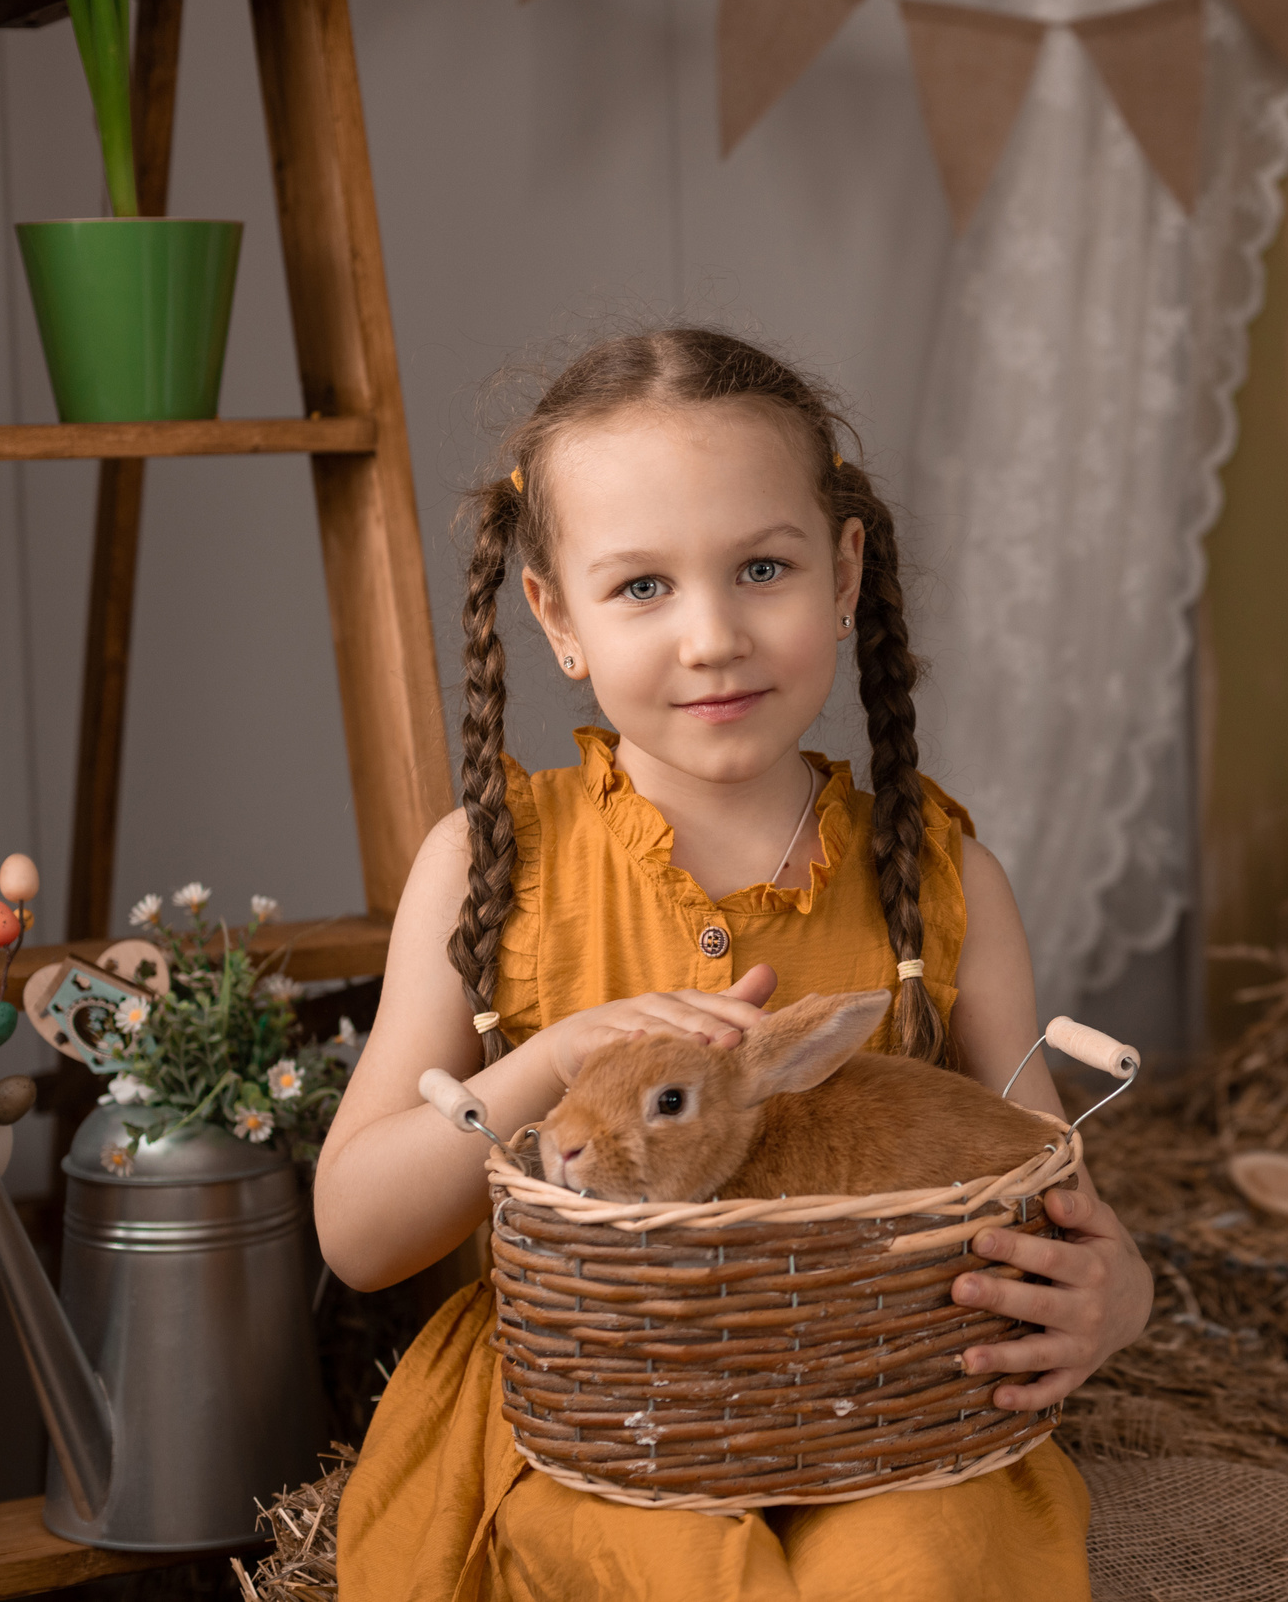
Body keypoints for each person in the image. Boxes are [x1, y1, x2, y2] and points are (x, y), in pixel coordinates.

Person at [315, 328, 1150, 1600]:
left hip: (885, 1399)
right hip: (600, 1408)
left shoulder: (938, 876)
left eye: (761, 567)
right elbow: (357, 1234)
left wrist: (1117, 1292)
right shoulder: (493, 864)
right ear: (555, 618)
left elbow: (1037, 1175)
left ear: (845, 572)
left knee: (922, 1568)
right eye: (641, 587)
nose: (712, 636)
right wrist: (550, 1063)